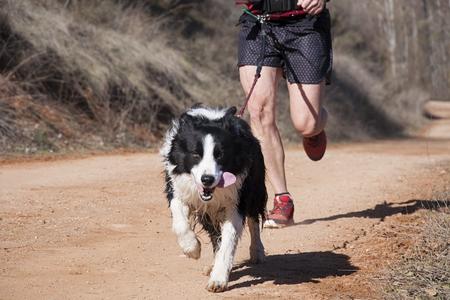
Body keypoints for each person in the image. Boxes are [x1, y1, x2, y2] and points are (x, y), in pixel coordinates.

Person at [236, 0, 332, 228]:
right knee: (258, 111)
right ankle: (283, 200)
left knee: (306, 123)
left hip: (305, 23)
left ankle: (315, 127)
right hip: (257, 22)